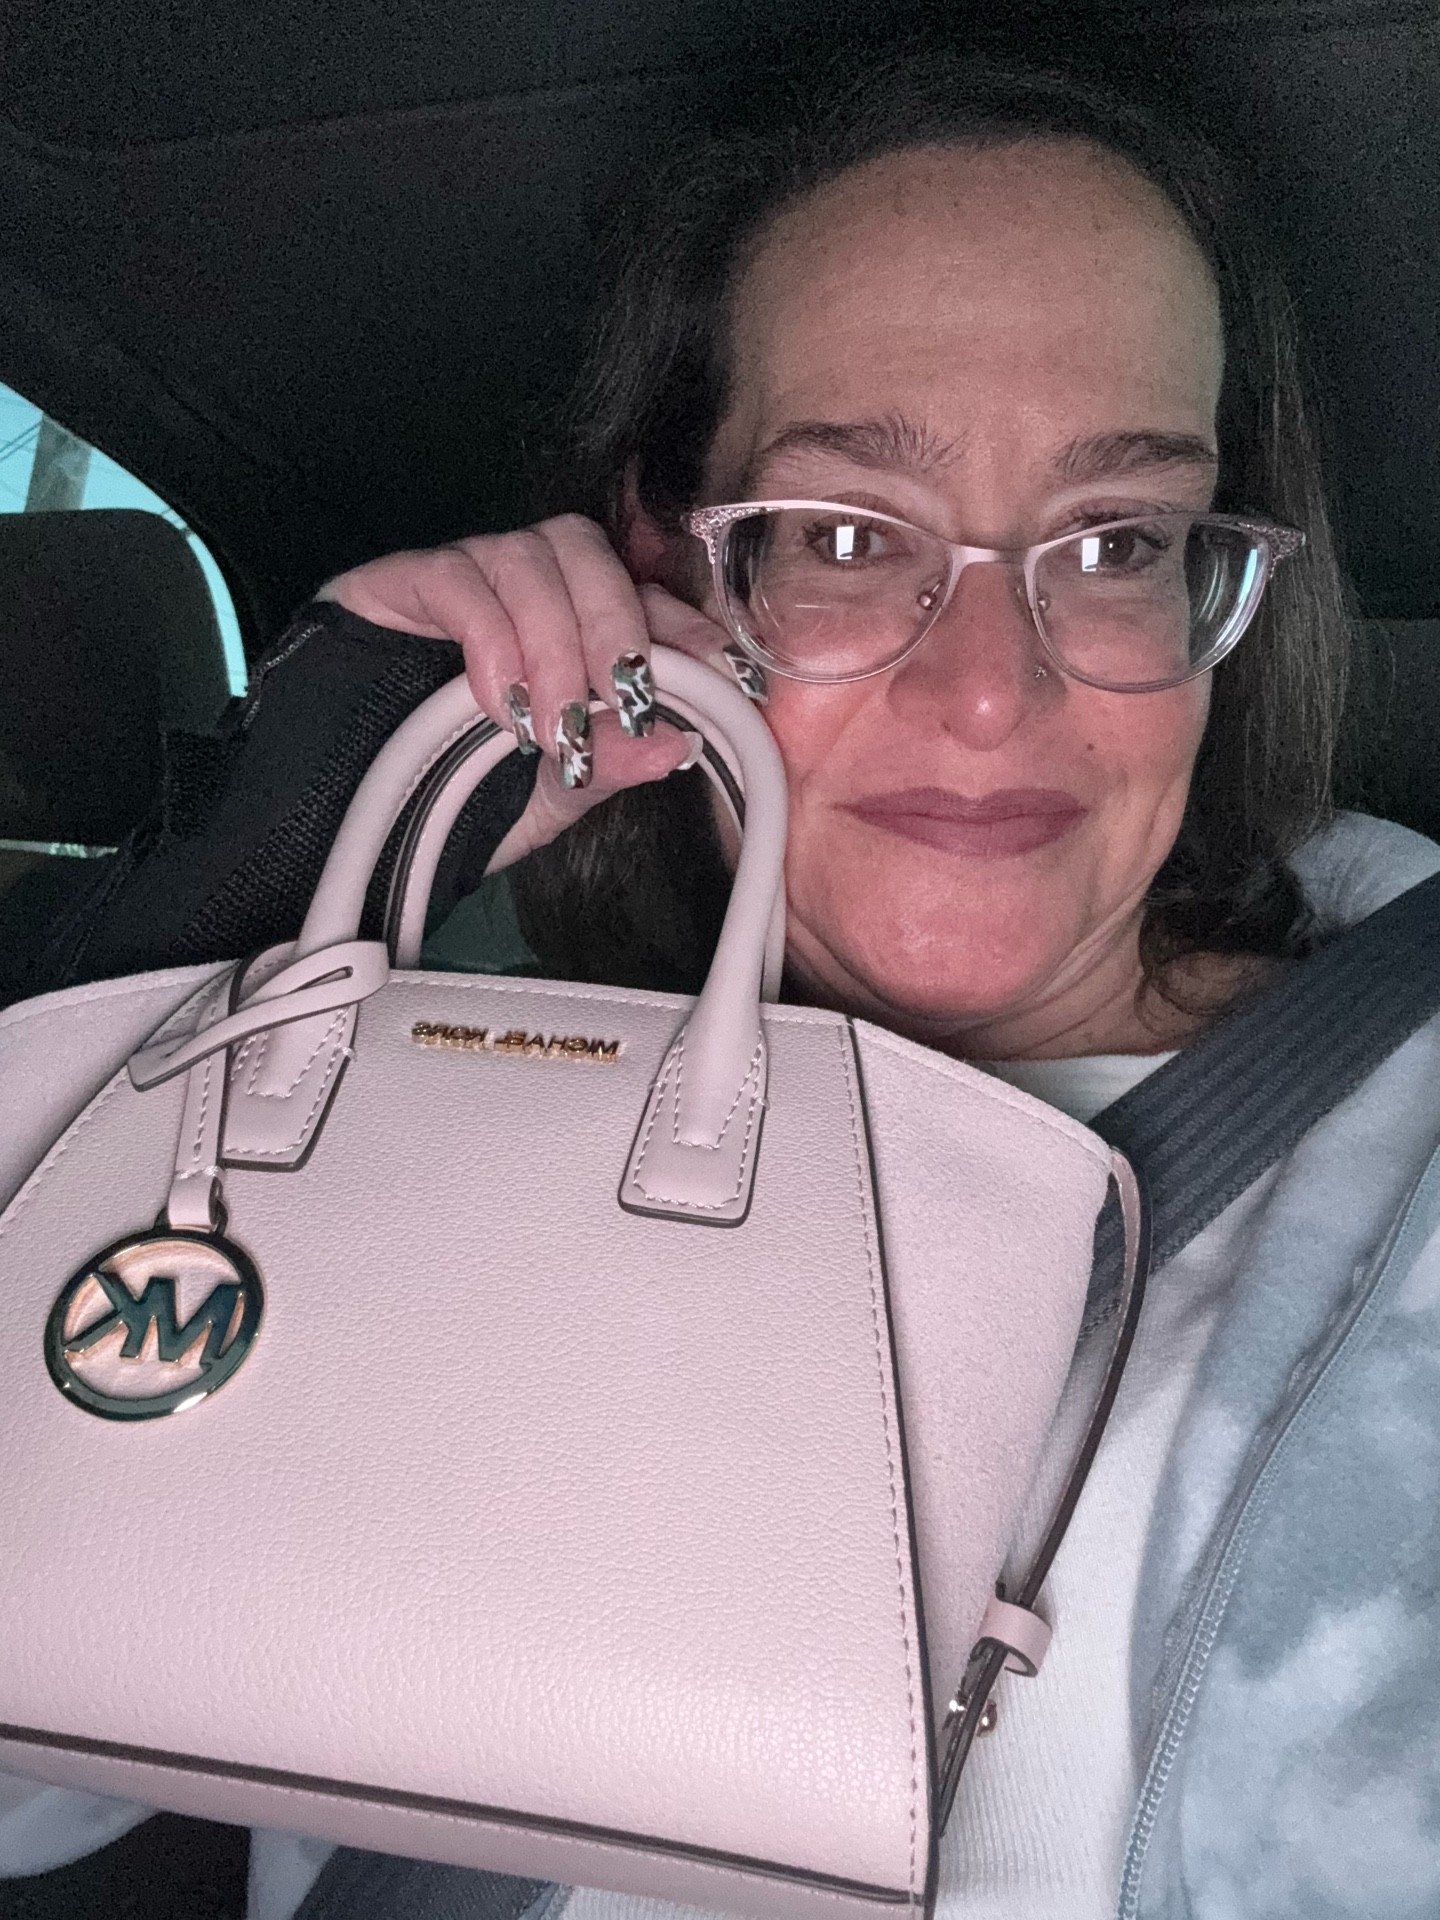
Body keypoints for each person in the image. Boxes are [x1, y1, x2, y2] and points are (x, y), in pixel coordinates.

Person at [5, 49, 1438, 1920]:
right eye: (844, 539)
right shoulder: (403, 1089)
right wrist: (213, 927)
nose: (987, 694)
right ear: (672, 569)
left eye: (1117, 544)